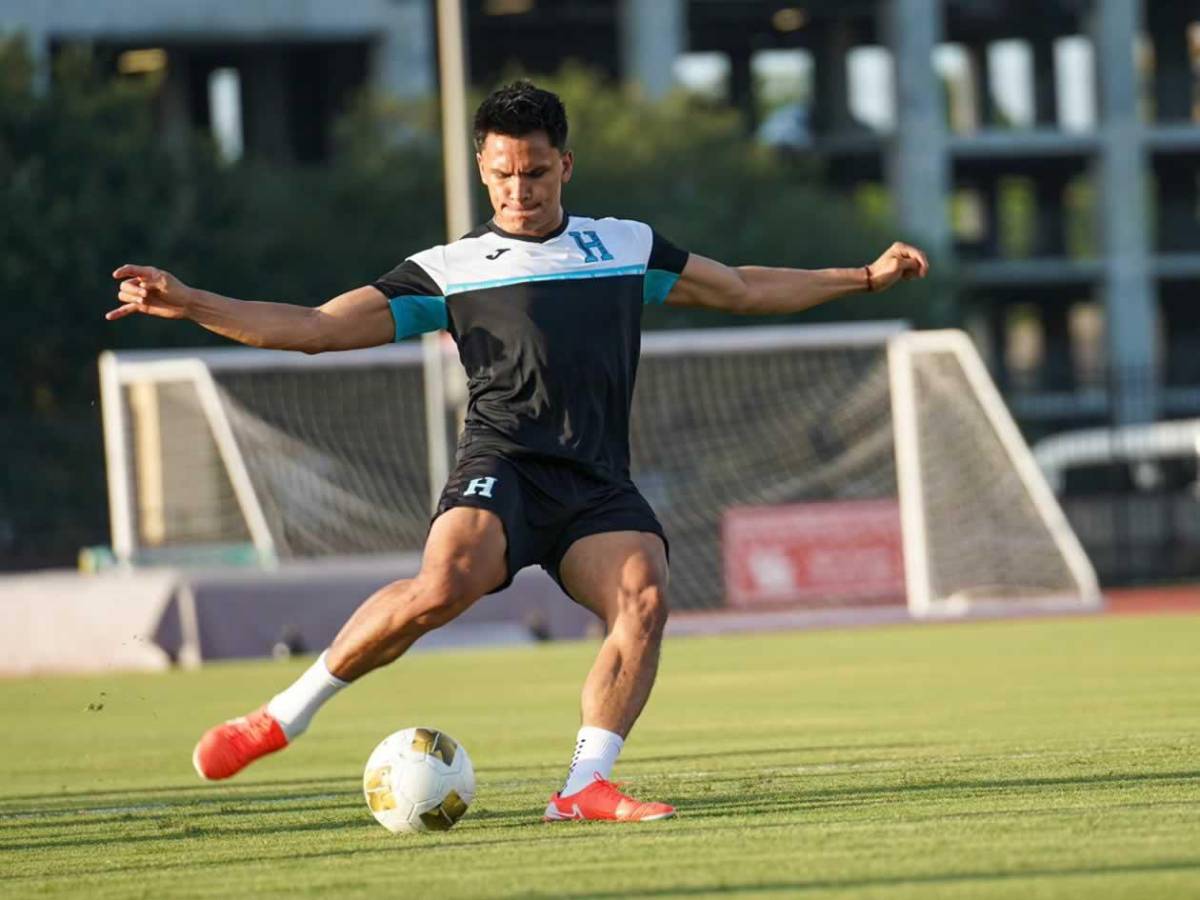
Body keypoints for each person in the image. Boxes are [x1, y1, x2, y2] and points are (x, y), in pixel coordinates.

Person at [109, 81, 929, 823]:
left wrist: (863, 276)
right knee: (442, 586)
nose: (519, 189)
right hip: (502, 464)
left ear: (564, 165)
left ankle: (582, 787)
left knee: (645, 597)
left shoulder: (625, 248)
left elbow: (745, 288)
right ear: (481, 168)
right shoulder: (450, 270)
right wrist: (192, 303)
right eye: (502, 174)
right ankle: (283, 715)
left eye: (534, 172)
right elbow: (317, 329)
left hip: (596, 483)